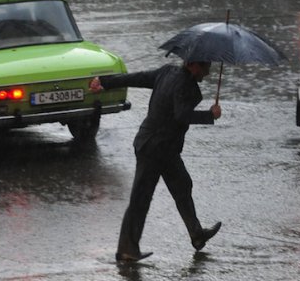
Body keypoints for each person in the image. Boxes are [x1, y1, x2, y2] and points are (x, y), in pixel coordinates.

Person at [89, 61, 223, 262]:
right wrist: (209, 115)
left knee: (182, 185)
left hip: (162, 147)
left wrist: (105, 82)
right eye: (205, 67)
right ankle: (127, 249)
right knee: (140, 199)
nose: (208, 72)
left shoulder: (167, 71)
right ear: (194, 65)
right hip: (155, 148)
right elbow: (181, 115)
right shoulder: (186, 85)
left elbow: (137, 77)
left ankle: (196, 234)